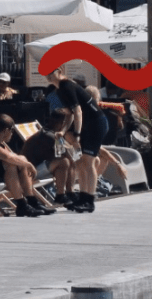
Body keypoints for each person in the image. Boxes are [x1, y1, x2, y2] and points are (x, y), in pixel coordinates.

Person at [50, 71, 107, 213]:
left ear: (59, 72)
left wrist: (77, 134)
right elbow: (70, 113)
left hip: (96, 123)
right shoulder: (60, 90)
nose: (48, 76)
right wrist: (63, 131)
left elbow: (78, 111)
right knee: (80, 162)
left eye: (51, 73)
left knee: (88, 161)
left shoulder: (67, 86)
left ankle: (90, 200)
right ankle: (82, 197)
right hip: (87, 125)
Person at [21, 109, 71, 212]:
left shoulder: (47, 132)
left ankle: (65, 194)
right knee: (64, 162)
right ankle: (62, 195)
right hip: (29, 173)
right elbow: (71, 155)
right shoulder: (49, 136)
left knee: (65, 162)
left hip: (36, 168)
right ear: (62, 123)